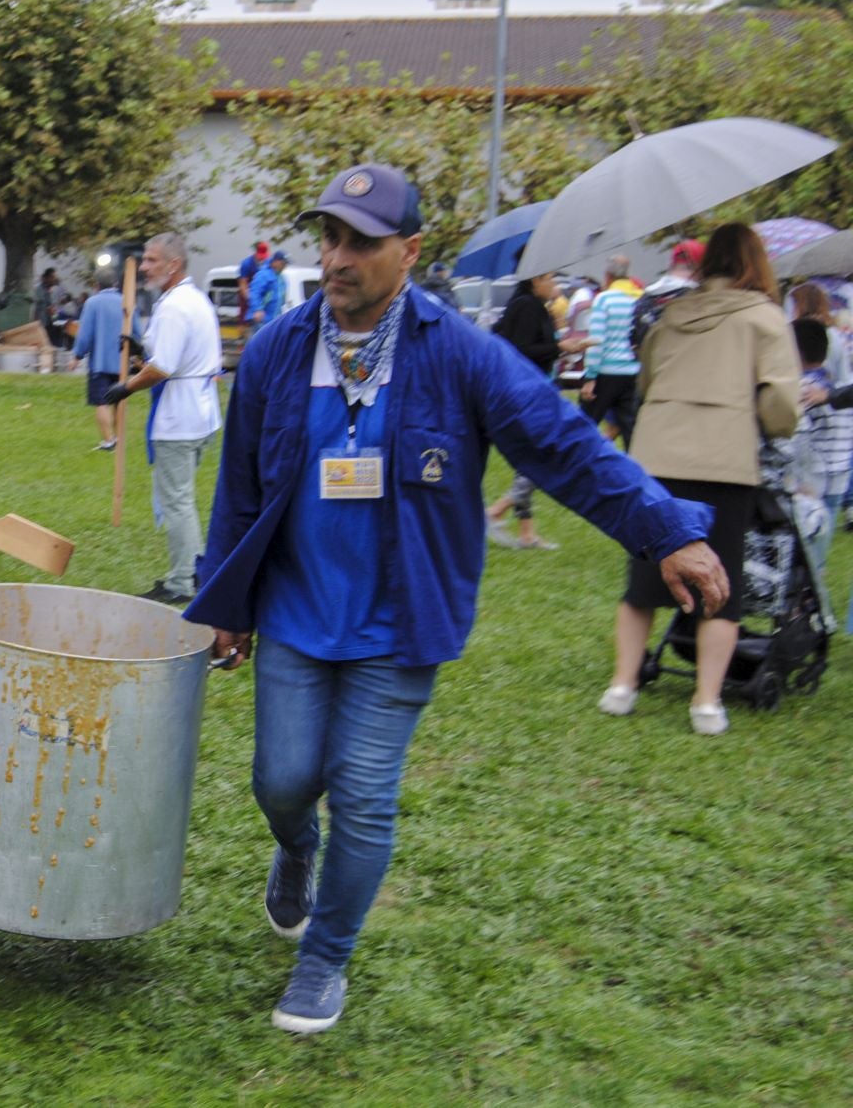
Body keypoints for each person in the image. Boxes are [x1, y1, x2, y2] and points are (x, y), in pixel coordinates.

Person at [190, 163, 726, 1034]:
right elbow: (241, 488)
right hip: (295, 609)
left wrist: (667, 527)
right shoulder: (279, 353)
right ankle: (296, 847)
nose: (338, 257)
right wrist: (226, 599)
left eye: (361, 242)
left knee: (364, 791)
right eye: (329, 237)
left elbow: (565, 448)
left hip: (402, 618)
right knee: (282, 780)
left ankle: (324, 956)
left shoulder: (463, 356)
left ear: (410, 250)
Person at [600, 223, 801, 737]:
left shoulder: (671, 316)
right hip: (723, 459)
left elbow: (646, 381)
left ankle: (622, 685)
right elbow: (781, 408)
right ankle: (707, 702)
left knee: (642, 580)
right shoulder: (765, 318)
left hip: (656, 456)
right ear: (757, 262)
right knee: (720, 582)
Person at [101, 232, 223, 606]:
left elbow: (164, 368)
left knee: (178, 501)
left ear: (173, 265)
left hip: (181, 417)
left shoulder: (174, 306)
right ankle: (192, 569)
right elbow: (171, 357)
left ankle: (184, 579)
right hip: (199, 411)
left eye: (153, 260)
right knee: (182, 498)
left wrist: (127, 387)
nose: (145, 267)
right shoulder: (194, 299)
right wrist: (142, 354)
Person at [485, 274, 592, 550]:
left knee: (533, 458)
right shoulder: (527, 306)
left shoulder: (529, 305)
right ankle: (498, 511)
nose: (554, 285)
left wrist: (560, 345)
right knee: (542, 455)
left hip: (532, 389)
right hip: (526, 393)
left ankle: (525, 532)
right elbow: (521, 349)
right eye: (548, 279)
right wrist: (560, 346)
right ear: (534, 281)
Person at [791, 318, 851, 575]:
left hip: (808, 485)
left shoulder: (802, 391)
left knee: (799, 556)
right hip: (839, 479)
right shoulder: (839, 391)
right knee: (818, 558)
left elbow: (798, 440)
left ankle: (803, 608)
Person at [581, 254, 644, 447]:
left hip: (605, 373)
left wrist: (590, 377)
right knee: (631, 433)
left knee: (582, 427)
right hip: (631, 373)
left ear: (607, 276)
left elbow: (596, 340)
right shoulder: (639, 298)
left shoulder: (603, 299)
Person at [70, 266, 128, 450]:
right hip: (121, 361)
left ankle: (108, 440)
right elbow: (135, 332)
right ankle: (119, 438)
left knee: (101, 402)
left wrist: (77, 356)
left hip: (100, 363)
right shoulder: (126, 302)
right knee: (119, 401)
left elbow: (85, 334)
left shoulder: (93, 303)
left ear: (96, 285)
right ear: (116, 284)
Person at [630, 239, 703, 357]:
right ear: (699, 267)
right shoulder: (698, 299)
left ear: (672, 265)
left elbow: (634, 344)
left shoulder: (644, 299)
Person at [250, 250, 288, 328]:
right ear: (275, 262)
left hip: (275, 320)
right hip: (262, 320)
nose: (284, 266)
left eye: (285, 264)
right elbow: (255, 293)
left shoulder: (281, 278)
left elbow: (281, 298)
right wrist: (257, 309)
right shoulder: (263, 275)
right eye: (283, 263)